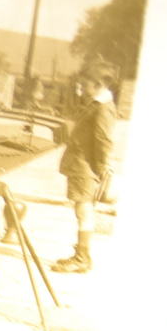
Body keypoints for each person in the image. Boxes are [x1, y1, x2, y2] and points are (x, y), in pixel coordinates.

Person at [51, 67, 117, 273]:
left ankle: (82, 257)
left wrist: (103, 166)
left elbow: (103, 139)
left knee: (84, 208)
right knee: (82, 208)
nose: (80, 86)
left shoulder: (103, 107)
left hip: (86, 165)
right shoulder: (95, 103)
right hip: (81, 163)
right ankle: (81, 254)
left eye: (84, 83)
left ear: (98, 85)